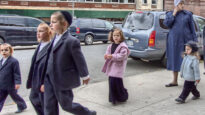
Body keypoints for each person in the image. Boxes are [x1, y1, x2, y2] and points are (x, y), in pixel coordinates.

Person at [42, 11, 96, 115]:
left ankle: (87, 113)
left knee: (67, 105)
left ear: (64, 24)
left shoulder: (71, 41)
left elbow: (79, 59)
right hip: (49, 78)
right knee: (48, 105)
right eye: (50, 22)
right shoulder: (54, 38)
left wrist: (85, 75)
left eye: (53, 22)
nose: (50, 24)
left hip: (62, 79)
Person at [163, 0, 197, 87]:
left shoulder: (188, 14)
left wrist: (194, 41)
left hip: (187, 42)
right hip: (174, 42)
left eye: (183, 3)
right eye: (180, 4)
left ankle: (189, 81)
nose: (182, 5)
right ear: (176, 5)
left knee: (188, 61)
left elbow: (192, 29)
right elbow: (167, 24)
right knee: (175, 60)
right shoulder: (169, 14)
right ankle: (174, 81)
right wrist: (174, 14)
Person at [26, 23, 52, 115]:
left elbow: (51, 68)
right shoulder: (40, 45)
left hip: (43, 82)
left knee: (47, 106)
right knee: (33, 98)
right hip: (35, 80)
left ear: (49, 33)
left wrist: (46, 83)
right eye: (37, 31)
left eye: (41, 31)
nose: (38, 33)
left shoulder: (51, 47)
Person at [102, 28, 129, 105]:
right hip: (111, 68)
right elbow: (108, 53)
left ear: (121, 36)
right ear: (112, 36)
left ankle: (122, 96)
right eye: (114, 35)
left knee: (116, 83)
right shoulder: (110, 46)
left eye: (117, 35)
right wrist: (106, 56)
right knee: (111, 82)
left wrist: (112, 56)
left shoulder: (123, 46)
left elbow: (122, 56)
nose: (116, 37)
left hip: (118, 68)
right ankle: (114, 98)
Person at [0, 43, 27, 113]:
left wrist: (17, 82)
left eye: (6, 50)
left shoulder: (14, 61)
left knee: (15, 96)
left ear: (10, 51)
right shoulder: (1, 61)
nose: (4, 52)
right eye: (2, 50)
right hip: (2, 84)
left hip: (11, 84)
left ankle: (22, 105)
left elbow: (17, 73)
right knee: (0, 98)